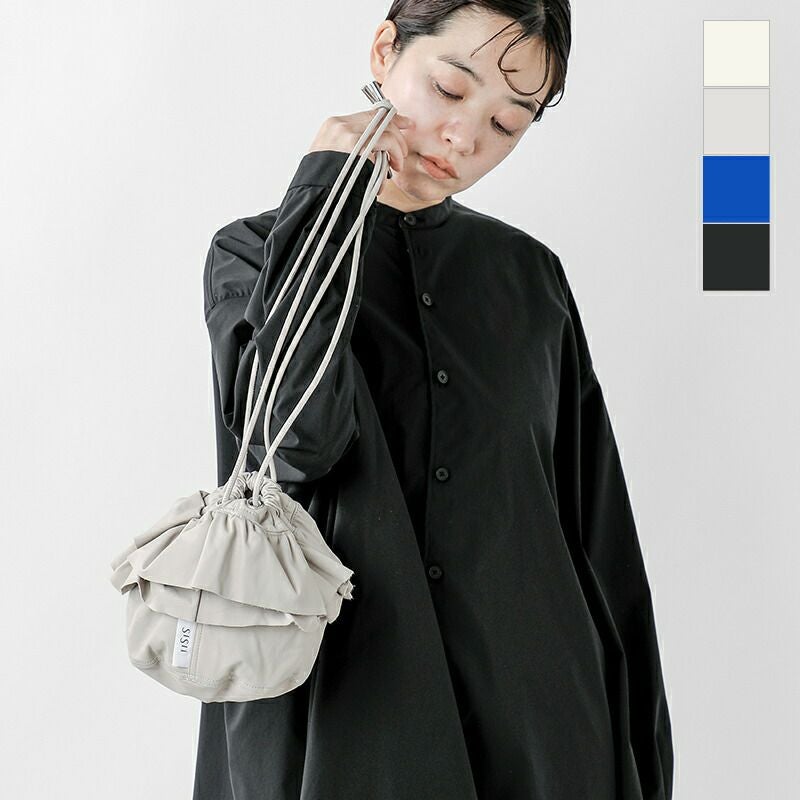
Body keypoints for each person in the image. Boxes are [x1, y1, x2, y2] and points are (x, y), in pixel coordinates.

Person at [193, 2, 674, 799]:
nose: (463, 138)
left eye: (507, 123)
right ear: (386, 50)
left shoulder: (530, 278)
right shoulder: (253, 254)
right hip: (344, 732)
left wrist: (645, 765)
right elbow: (298, 438)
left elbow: (598, 534)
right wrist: (325, 193)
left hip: (546, 736)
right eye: (451, 89)